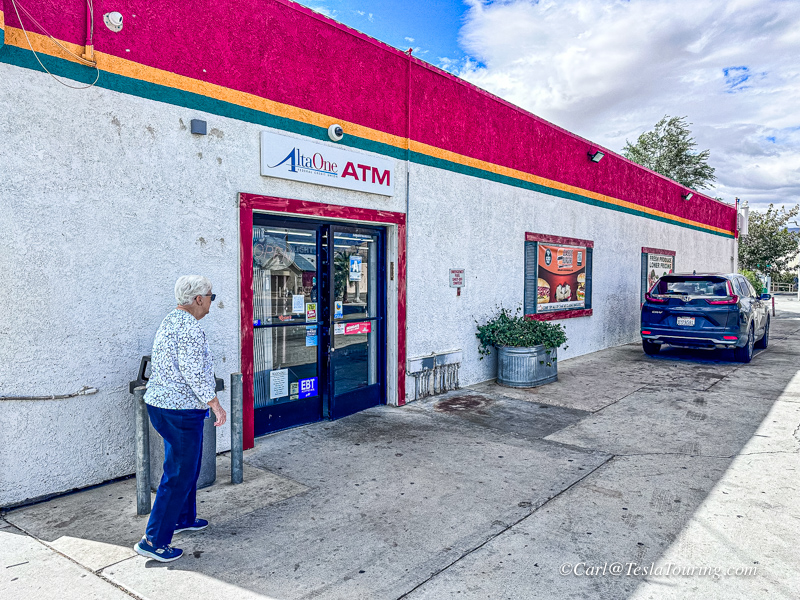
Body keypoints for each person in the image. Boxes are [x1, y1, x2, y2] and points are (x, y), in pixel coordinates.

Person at [134, 275, 227, 562]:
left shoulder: (172, 320)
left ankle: (183, 517)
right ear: (198, 299)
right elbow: (195, 374)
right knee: (178, 474)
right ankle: (153, 540)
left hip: (165, 407)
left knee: (188, 466)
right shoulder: (189, 328)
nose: (212, 301)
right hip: (180, 411)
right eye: (210, 296)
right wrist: (216, 405)